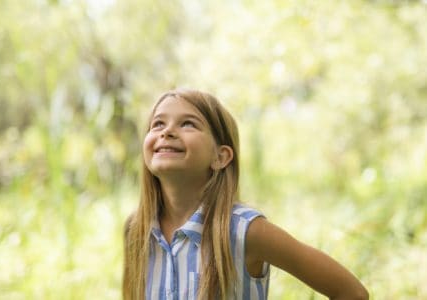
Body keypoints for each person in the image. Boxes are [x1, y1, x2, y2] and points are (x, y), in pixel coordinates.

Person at [122, 89, 369, 300]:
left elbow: (351, 293)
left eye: (188, 123)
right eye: (158, 124)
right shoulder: (137, 229)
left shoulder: (245, 230)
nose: (167, 132)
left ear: (220, 157)